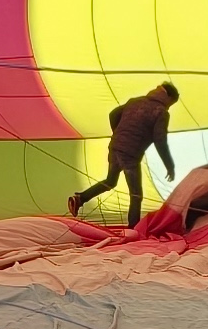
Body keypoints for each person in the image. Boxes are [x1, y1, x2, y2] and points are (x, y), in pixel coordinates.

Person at [67, 80, 180, 229]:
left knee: (110, 181)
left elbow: (113, 114)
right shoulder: (161, 112)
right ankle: (133, 229)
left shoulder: (135, 101)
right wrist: (169, 166)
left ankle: (80, 198)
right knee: (136, 194)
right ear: (169, 98)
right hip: (130, 154)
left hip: (115, 147)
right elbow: (160, 140)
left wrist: (119, 133)